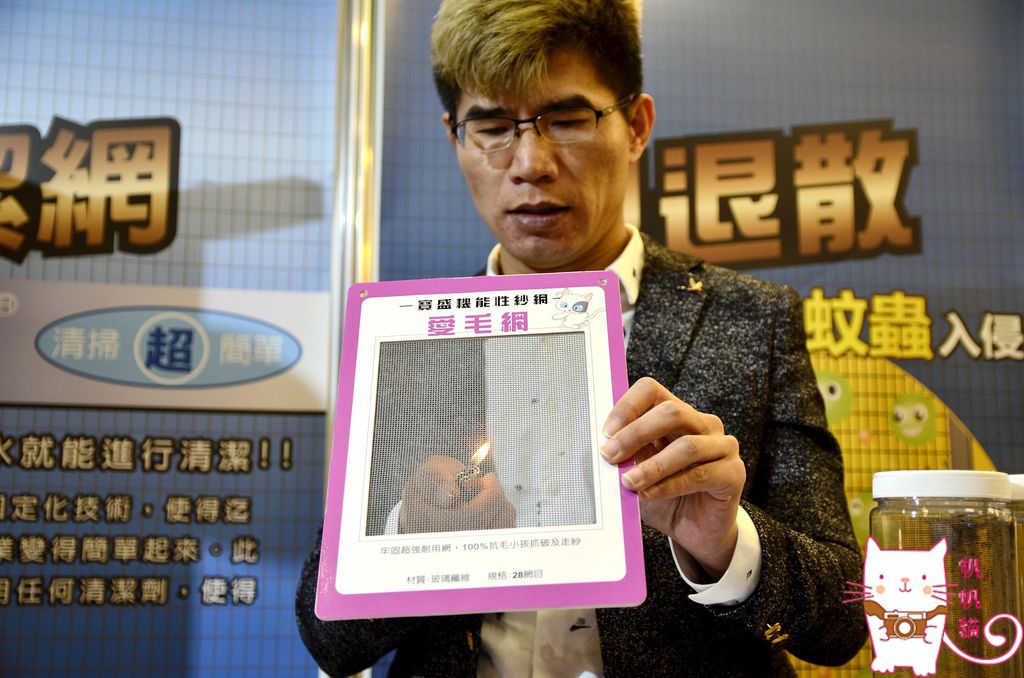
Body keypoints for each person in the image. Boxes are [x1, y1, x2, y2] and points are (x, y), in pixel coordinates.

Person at [296, 0, 867, 675]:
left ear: (637, 126)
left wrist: (726, 542)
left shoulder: (750, 319)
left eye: (567, 121)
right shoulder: (410, 339)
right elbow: (327, 638)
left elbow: (842, 621)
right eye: (493, 128)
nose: (530, 163)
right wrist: (407, 536)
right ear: (455, 137)